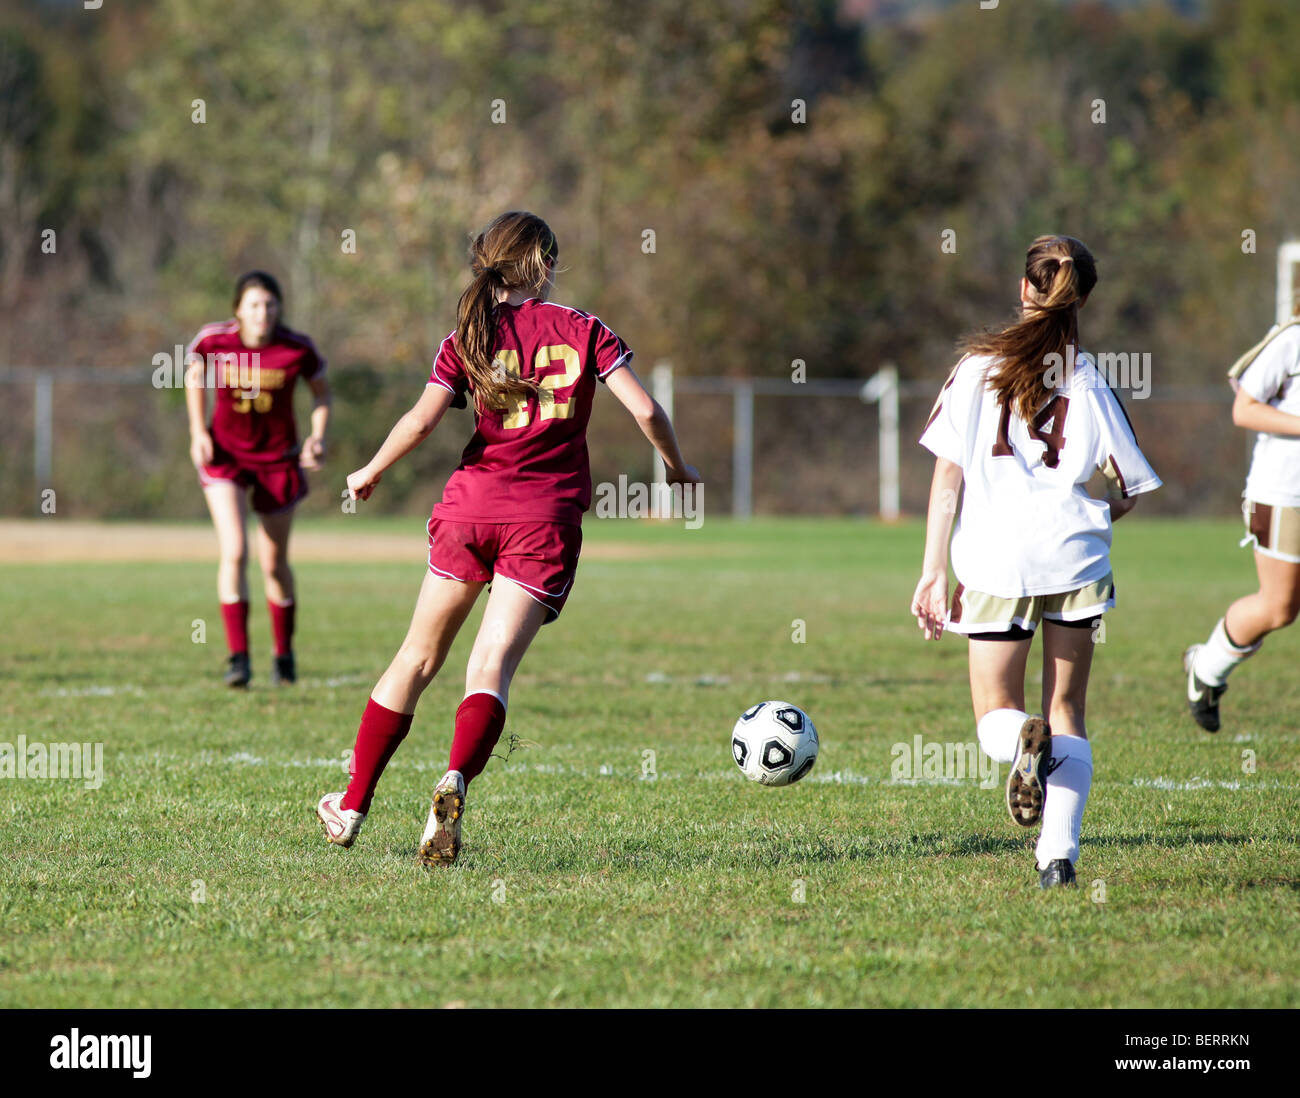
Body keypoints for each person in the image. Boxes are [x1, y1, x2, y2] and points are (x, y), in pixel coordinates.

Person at [315, 211, 699, 866]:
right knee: (488, 667)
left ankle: (351, 805)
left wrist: (371, 470)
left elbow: (420, 420)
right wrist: (675, 469)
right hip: (541, 520)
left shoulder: (468, 334)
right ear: (544, 265)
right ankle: (455, 780)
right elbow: (645, 409)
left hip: (470, 509)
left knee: (415, 659)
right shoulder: (584, 330)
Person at [910, 235, 1161, 889]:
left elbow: (946, 482)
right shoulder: (1085, 375)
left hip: (995, 561)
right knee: (1069, 710)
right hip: (1073, 558)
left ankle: (1023, 736)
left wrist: (933, 570)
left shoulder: (975, 368)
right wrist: (1102, 506)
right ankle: (1058, 860)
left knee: (998, 707)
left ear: (1025, 289)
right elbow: (1129, 485)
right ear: (1081, 300)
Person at [185, 271, 331, 688]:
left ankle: (283, 656)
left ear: (279, 308)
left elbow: (322, 393)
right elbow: (194, 373)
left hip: (277, 461)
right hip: (226, 458)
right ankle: (238, 659)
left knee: (274, 564)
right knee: (234, 551)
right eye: (253, 305)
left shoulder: (296, 348)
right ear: (238, 310)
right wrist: (197, 431)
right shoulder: (215, 341)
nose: (262, 312)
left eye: (269, 304)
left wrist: (317, 438)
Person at [1184, 302, 1300, 731]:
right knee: (1279, 607)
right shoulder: (1292, 339)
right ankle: (1206, 670)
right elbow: (1245, 409)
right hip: (1285, 493)